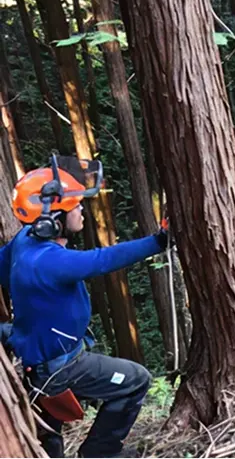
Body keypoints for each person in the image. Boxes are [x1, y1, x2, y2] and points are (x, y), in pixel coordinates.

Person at [0, 154, 170, 458]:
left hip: (34, 356)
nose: (81, 209)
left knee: (48, 434)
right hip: (62, 367)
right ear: (51, 220)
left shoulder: (24, 241)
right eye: (74, 205)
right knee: (135, 380)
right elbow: (103, 260)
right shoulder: (49, 260)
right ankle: (99, 453)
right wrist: (159, 241)